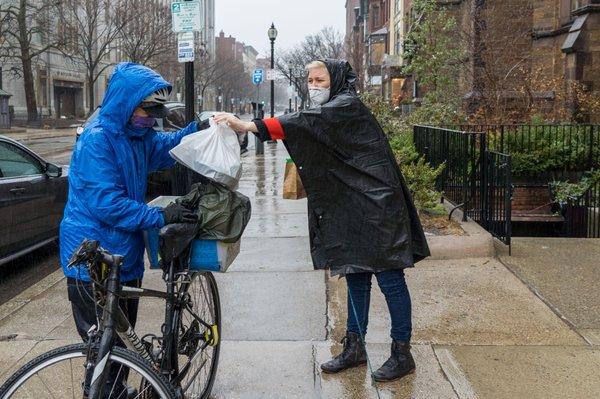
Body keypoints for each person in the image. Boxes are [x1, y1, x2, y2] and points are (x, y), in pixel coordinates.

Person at [214, 59, 430, 382]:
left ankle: (402, 352)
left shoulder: (346, 105)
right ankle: (355, 346)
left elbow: (304, 122)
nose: (313, 85)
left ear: (336, 79)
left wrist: (248, 126)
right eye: (310, 79)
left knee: (390, 279)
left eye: (319, 79)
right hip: (355, 206)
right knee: (355, 273)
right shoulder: (335, 107)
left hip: (378, 206)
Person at [59, 62, 200, 395]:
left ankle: (119, 391)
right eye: (146, 110)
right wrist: (162, 216)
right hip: (92, 260)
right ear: (126, 101)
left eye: (155, 113)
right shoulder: (98, 139)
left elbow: (168, 149)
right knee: (102, 352)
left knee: (122, 349)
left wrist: (200, 129)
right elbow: (108, 205)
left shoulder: (139, 135)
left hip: (125, 258)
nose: (151, 119)